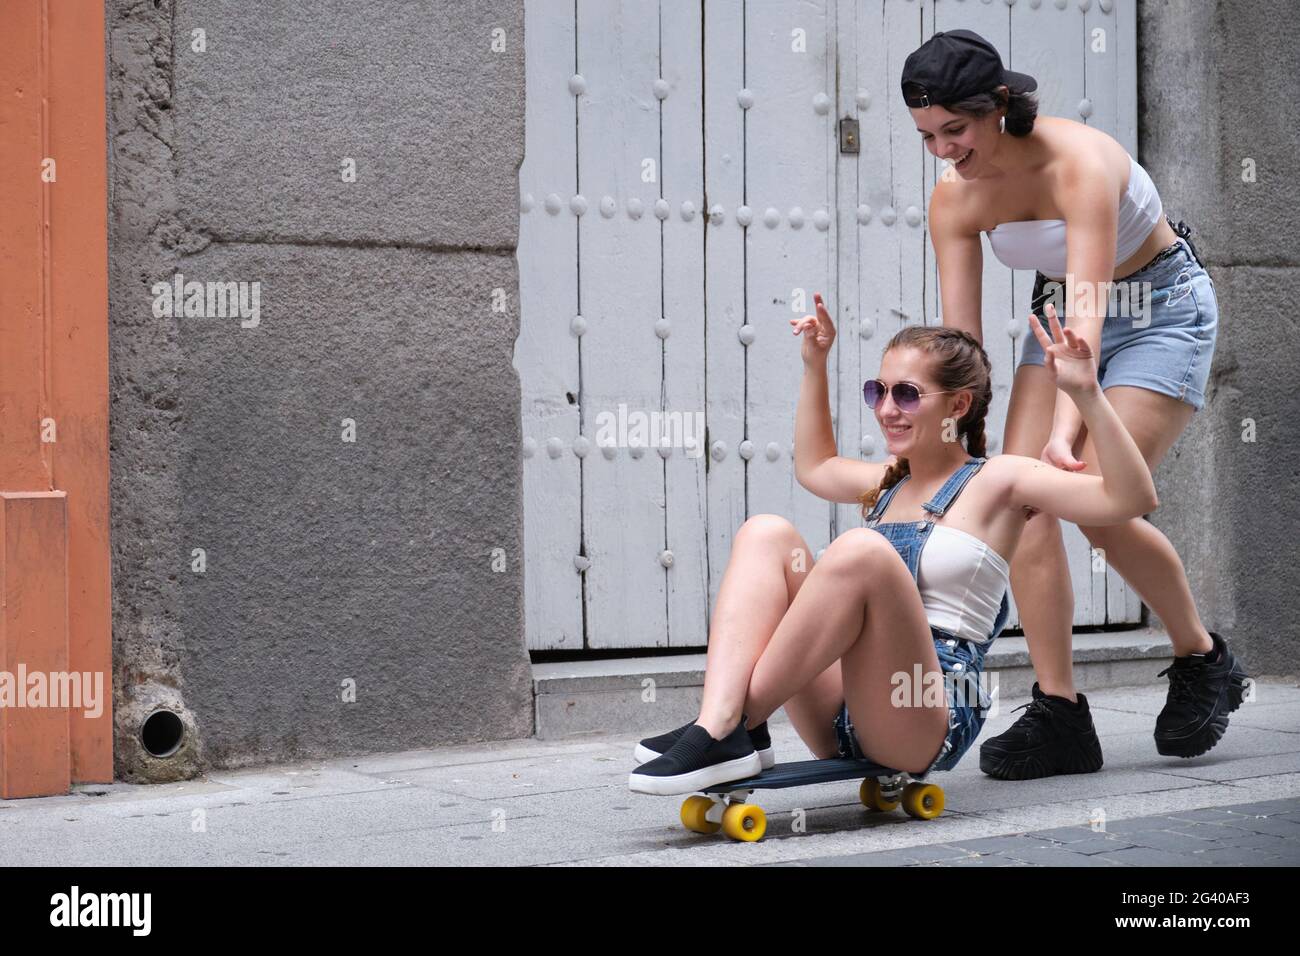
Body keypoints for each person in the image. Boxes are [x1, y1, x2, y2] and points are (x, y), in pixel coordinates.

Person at [628, 294, 1206, 797]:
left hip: (925, 710)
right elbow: (815, 465)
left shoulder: (1000, 480)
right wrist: (816, 365)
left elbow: (1127, 498)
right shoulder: (889, 481)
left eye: (906, 394)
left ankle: (724, 729)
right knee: (766, 533)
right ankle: (727, 725)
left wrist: (1086, 394)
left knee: (863, 551)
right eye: (878, 391)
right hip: (846, 701)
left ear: (957, 406)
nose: (885, 408)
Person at [902, 29, 1250, 779]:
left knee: (1095, 504)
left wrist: (1065, 433)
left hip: (1158, 308)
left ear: (998, 106)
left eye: (954, 131)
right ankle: (1061, 713)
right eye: (926, 135)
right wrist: (948, 444)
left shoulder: (1080, 161)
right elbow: (961, 343)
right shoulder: (953, 196)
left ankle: (1203, 657)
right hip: (1059, 321)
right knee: (1017, 496)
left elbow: (1089, 317)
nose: (942, 151)